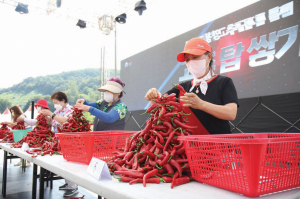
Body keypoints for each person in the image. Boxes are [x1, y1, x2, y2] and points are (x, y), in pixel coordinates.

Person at [145, 37, 239, 135]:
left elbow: (231, 113)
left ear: (209, 57)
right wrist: (153, 95)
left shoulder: (224, 82)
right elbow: (158, 104)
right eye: (187, 59)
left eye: (195, 57)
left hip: (219, 145)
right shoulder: (182, 88)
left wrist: (201, 104)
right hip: (191, 146)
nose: (191, 62)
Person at [40, 91, 78, 197]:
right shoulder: (58, 110)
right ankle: (68, 183)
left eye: (56, 102)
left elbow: (66, 121)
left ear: (63, 101)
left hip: (69, 140)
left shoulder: (70, 110)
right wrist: (47, 118)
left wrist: (51, 115)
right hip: (59, 140)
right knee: (62, 163)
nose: (54, 104)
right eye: (53, 102)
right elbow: (53, 122)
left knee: (68, 164)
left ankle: (73, 187)